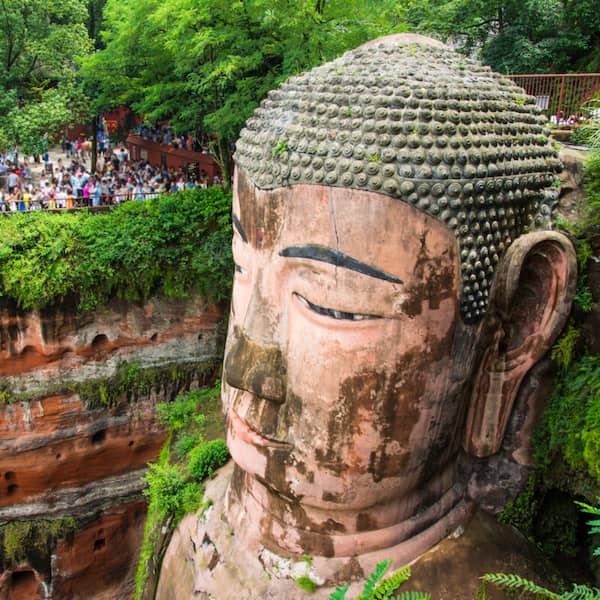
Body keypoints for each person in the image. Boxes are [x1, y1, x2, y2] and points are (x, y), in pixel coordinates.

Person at [157, 34, 578, 598]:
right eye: (240, 267)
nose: (242, 369)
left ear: (516, 325)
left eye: (330, 303)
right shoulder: (193, 515)